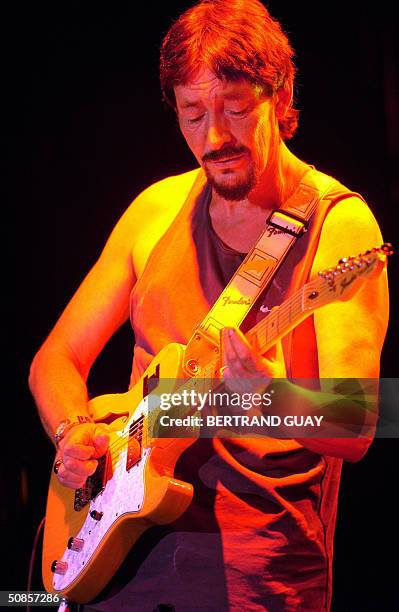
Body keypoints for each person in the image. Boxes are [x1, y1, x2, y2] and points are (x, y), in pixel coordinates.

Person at [29, 1, 389, 610]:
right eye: (193, 115)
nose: (214, 137)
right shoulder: (156, 208)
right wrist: (73, 433)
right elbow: (55, 359)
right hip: (116, 569)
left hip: (255, 584)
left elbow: (356, 426)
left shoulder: (338, 224)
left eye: (236, 109)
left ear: (281, 93)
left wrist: (272, 397)